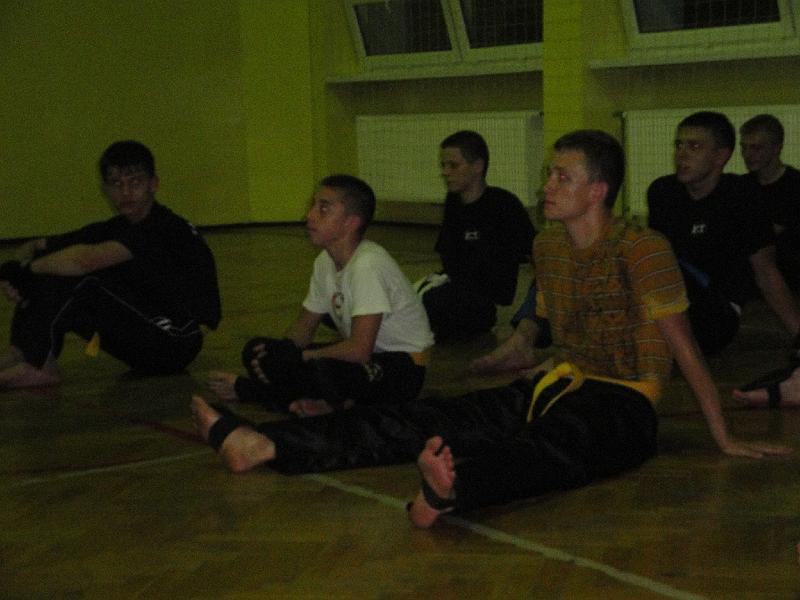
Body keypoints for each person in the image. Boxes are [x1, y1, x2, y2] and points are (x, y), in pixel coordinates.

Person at [191, 130, 789, 530]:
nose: (546, 186)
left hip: (625, 402)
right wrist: (517, 360)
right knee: (431, 416)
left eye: (561, 178)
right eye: (549, 175)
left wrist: (723, 437)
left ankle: (450, 490)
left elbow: (684, 348)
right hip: (558, 380)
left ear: (598, 191)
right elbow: (540, 326)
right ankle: (267, 444)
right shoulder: (549, 246)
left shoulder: (642, 248)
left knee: (555, 448)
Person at [207, 174, 434, 417]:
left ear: (350, 223)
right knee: (257, 351)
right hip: (364, 360)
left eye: (323, 209)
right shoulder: (324, 262)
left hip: (401, 367)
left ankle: (253, 391)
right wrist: (282, 352)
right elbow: (304, 327)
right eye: (313, 206)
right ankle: (321, 403)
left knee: (324, 372)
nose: (310, 215)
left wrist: (301, 357)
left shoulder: (368, 264)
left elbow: (359, 350)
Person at [0, 140, 221, 388]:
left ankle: (41, 365)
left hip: (176, 340)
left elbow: (85, 261)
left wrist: (25, 271)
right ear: (105, 189)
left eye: (135, 182)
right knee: (49, 266)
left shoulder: (163, 227)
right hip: (147, 331)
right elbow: (36, 246)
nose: (125, 192)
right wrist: (17, 273)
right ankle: (19, 354)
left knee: (78, 277)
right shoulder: (117, 227)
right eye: (116, 183)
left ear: (153, 184)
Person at [647, 111, 800, 355]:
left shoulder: (742, 196)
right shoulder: (663, 192)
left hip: (715, 312)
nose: (681, 154)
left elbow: (766, 271)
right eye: (679, 145)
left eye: (694, 146)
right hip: (671, 305)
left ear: (721, 156)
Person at [415, 130, 535, 341]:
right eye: (443, 165)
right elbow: (448, 254)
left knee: (435, 303)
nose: (445, 172)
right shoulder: (453, 202)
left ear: (478, 166)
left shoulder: (503, 205)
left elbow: (534, 250)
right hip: (455, 286)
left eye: (453, 165)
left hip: (482, 299)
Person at [740, 114, 800, 291]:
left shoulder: (794, 186)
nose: (747, 155)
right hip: (753, 285)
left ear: (776, 148)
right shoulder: (741, 187)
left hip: (791, 283)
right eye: (744, 147)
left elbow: (764, 234)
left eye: (756, 148)